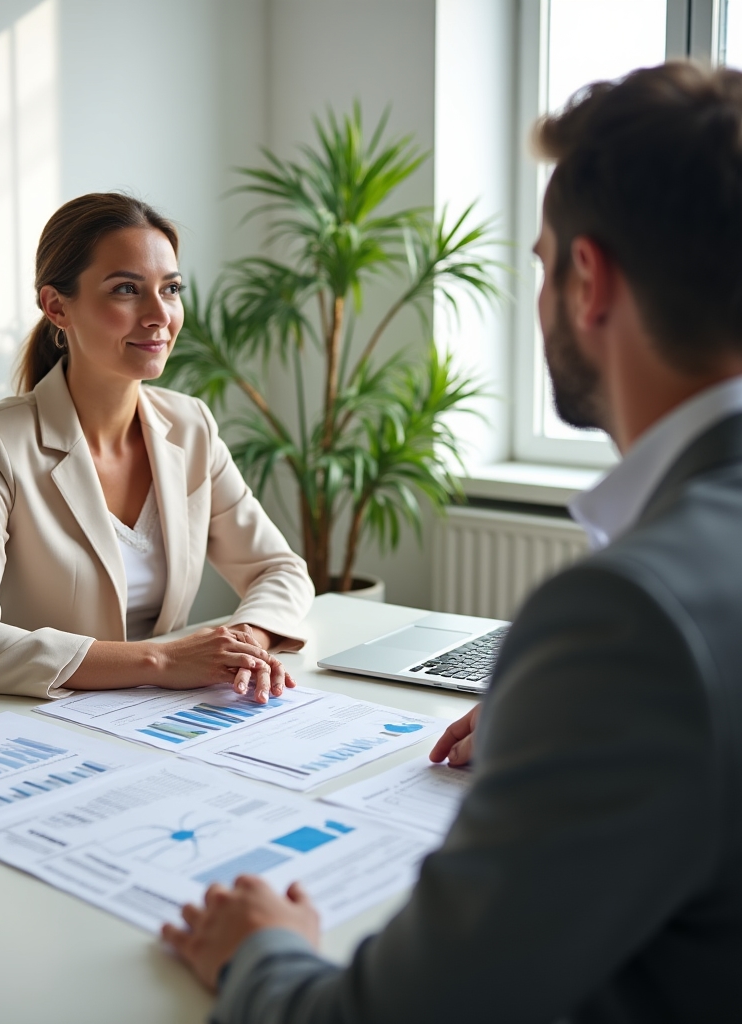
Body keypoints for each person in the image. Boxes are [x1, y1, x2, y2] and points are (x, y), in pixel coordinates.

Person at [162, 63, 742, 1021]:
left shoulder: (628, 617)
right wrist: (567, 731)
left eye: (545, 265)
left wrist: (260, 951)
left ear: (589, 281)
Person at [0, 193, 314, 703]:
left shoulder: (190, 426)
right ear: (57, 307)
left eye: (170, 289)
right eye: (127, 289)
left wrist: (244, 646)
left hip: (167, 718)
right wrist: (162, 661)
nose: (158, 315)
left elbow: (278, 569)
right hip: (45, 725)